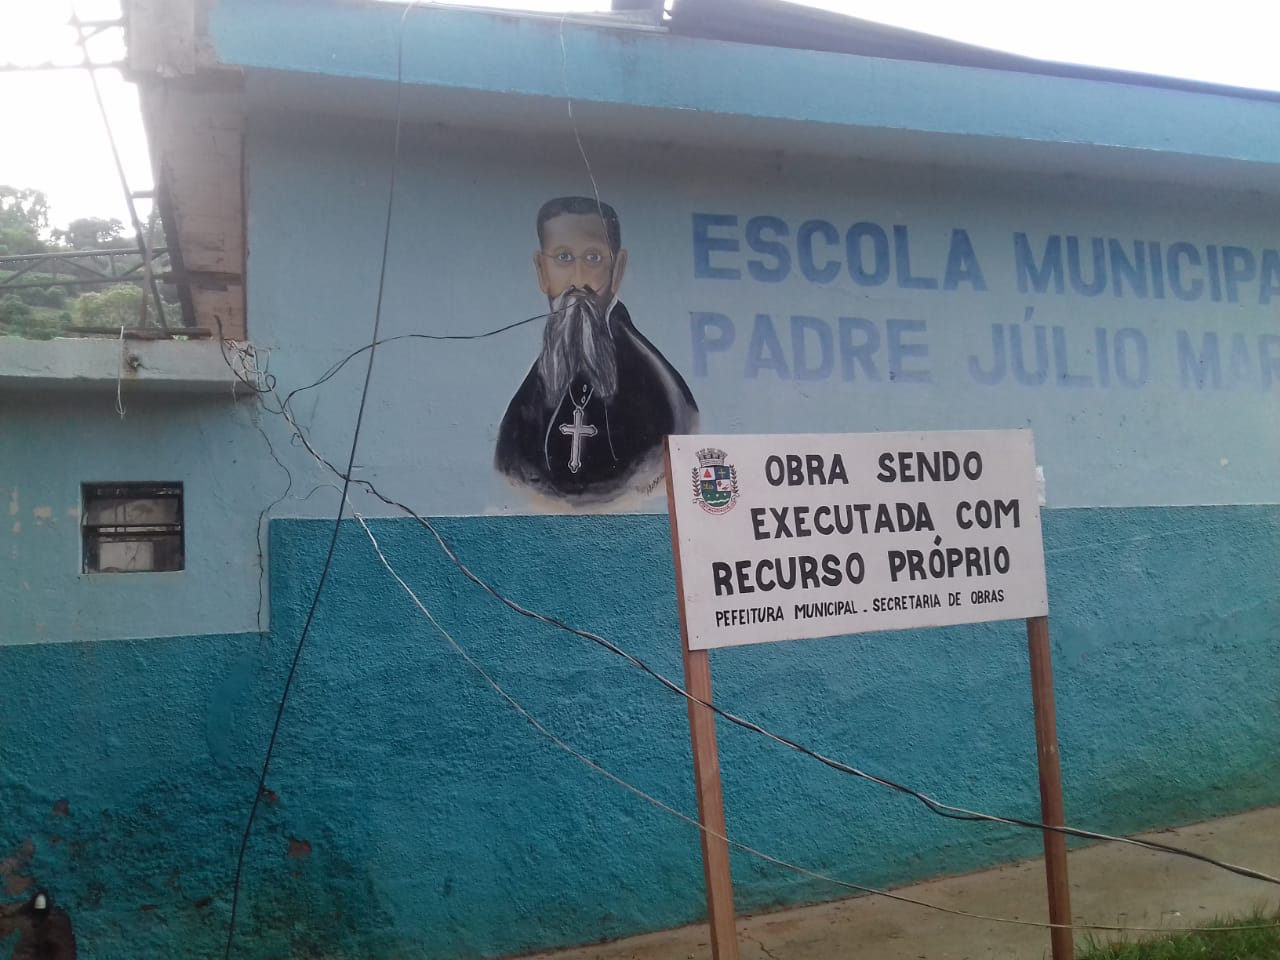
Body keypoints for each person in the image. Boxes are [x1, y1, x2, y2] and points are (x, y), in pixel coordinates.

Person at [495, 196, 698, 505]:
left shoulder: (658, 391)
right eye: (563, 258)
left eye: (593, 258)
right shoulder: (535, 388)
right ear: (541, 271)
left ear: (617, 270)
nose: (578, 280)